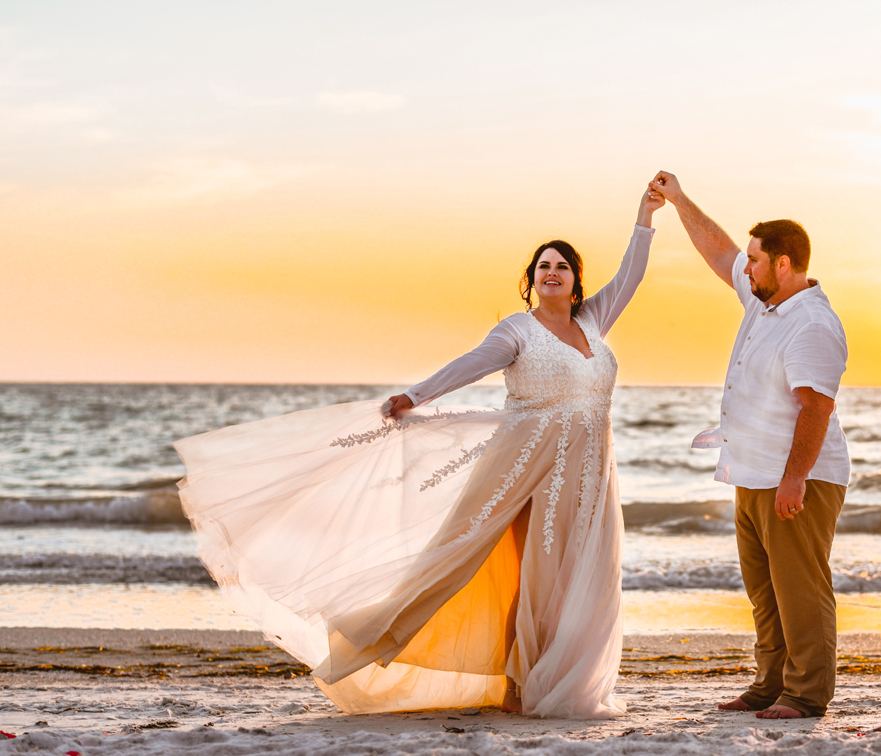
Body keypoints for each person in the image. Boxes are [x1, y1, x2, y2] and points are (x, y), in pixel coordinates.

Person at [174, 186, 663, 719]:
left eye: (562, 266)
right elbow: (468, 365)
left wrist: (645, 216)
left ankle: (561, 680)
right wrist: (415, 396)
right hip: (530, 471)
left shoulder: (594, 320)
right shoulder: (518, 330)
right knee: (527, 574)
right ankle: (502, 676)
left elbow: (633, 274)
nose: (552, 272)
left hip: (594, 477)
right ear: (531, 278)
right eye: (543, 266)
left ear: (575, 279)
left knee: (587, 577)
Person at [650, 170, 850, 719]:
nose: (747, 266)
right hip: (753, 472)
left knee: (801, 591)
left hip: (797, 478)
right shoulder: (765, 301)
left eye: (757, 260)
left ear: (783, 265)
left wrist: (794, 479)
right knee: (766, 594)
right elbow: (720, 252)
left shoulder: (811, 323)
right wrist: (678, 199)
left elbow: (816, 408)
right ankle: (768, 685)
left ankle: (806, 695)